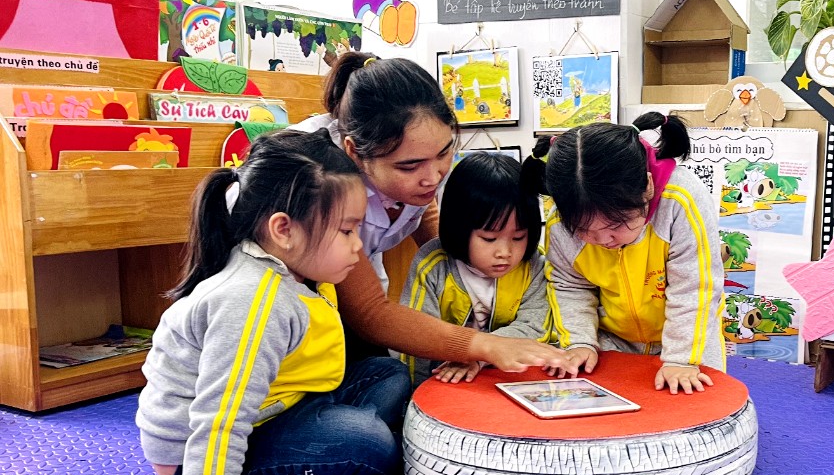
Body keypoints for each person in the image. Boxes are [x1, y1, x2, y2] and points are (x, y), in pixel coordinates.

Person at [136, 129, 410, 475]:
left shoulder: (296, 269)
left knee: (386, 373)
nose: (358, 246)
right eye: (346, 230)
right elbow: (221, 415)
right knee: (367, 443)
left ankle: (344, 448)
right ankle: (348, 466)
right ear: (283, 230)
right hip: (195, 464)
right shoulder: (253, 302)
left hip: (277, 410)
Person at [301, 52, 565, 374]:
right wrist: (482, 346)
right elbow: (369, 311)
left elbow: (426, 218)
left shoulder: (417, 168)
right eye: (409, 166)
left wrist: (466, 257)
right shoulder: (321, 180)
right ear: (354, 152)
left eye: (444, 153)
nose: (433, 177)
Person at [526, 113, 725, 395]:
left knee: (697, 407)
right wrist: (579, 341)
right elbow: (570, 286)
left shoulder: (680, 200)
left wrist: (682, 359)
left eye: (615, 226)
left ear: (647, 187)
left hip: (689, 338)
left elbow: (693, 288)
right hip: (612, 339)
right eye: (583, 230)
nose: (603, 240)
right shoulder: (561, 223)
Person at [399, 152, 549, 384]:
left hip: (508, 379)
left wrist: (479, 358)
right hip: (444, 381)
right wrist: (415, 392)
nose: (505, 252)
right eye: (489, 239)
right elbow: (414, 339)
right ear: (458, 228)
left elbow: (535, 327)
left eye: (518, 237)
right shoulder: (433, 266)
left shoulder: (533, 265)